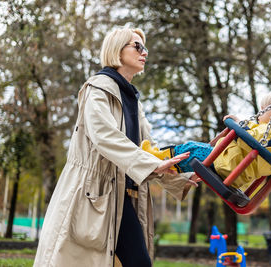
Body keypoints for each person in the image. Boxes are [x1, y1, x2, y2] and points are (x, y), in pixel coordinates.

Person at [33, 27, 197, 267]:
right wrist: (153, 164)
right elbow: (104, 136)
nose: (144, 53)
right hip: (92, 191)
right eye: (137, 46)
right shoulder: (97, 89)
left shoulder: (132, 99)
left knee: (137, 262)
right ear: (116, 50)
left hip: (123, 194)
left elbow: (149, 150)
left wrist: (181, 177)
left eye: (145, 48)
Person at [142, 92, 271, 189]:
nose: (259, 114)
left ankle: (158, 158)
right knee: (196, 151)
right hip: (232, 166)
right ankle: (164, 160)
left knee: (191, 149)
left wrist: (239, 125)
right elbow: (253, 137)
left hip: (225, 164)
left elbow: (248, 138)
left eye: (263, 110)